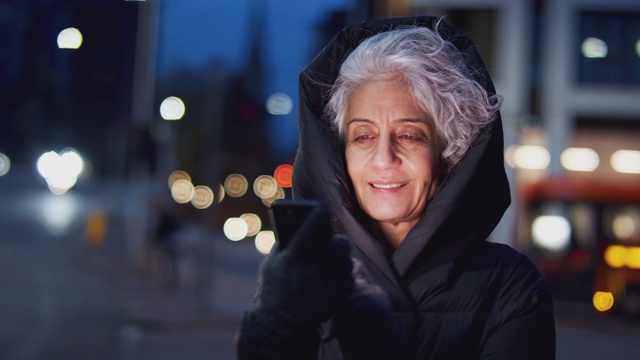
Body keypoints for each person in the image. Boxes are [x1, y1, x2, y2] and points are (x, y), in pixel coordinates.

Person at [237, 16, 556, 359]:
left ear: (449, 151)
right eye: (363, 136)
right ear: (337, 153)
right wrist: (268, 341)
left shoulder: (510, 287)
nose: (384, 157)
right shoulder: (301, 276)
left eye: (409, 135)